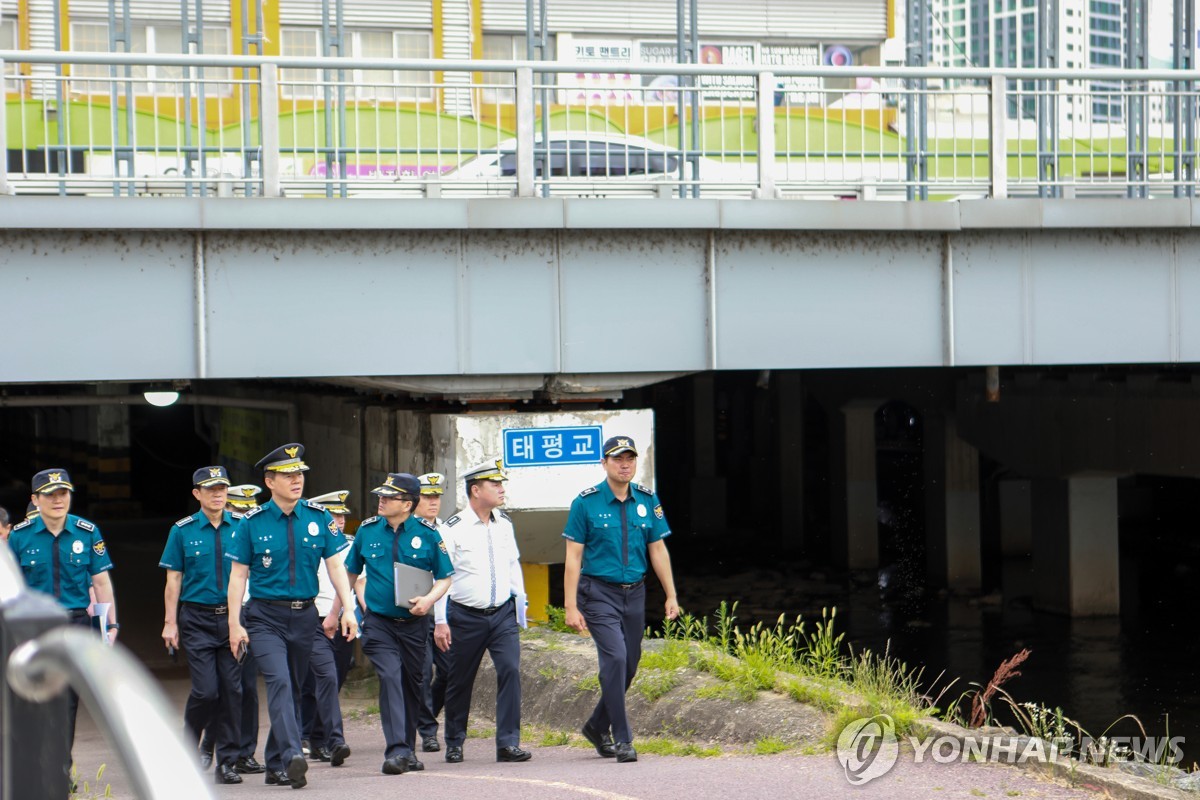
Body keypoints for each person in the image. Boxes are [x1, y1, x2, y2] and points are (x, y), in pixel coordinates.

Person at [226, 444, 359, 789]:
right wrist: (235, 624)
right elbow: (238, 577)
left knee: (297, 687)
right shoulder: (250, 524)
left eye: (299, 474)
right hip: (264, 617)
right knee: (280, 683)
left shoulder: (319, 519)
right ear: (270, 481)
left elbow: (336, 568)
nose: (296, 480)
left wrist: (348, 610)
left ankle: (274, 766)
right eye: (288, 475)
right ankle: (290, 755)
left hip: (305, 617)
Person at [563, 436, 680, 764]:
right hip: (598, 593)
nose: (624, 464)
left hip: (635, 593)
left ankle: (596, 726)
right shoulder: (586, 503)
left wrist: (671, 594)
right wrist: (570, 605)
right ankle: (622, 738)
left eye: (630, 458)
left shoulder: (646, 499)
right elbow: (573, 558)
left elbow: (657, 549)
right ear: (604, 463)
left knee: (629, 664)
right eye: (617, 459)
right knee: (614, 659)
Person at [8, 468, 119, 778]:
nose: (58, 500)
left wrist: (109, 625)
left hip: (76, 625)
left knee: (67, 704)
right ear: (35, 500)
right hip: (34, 630)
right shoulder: (20, 536)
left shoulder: (87, 531)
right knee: (34, 699)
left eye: (63, 493)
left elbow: (100, 582)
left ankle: (60, 769)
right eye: (50, 495)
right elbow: (11, 589)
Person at [343, 472, 453, 775]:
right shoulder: (367, 531)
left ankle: (407, 750)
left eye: (389, 497)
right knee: (391, 676)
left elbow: (445, 577)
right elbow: (350, 573)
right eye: (381, 495)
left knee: (412, 683)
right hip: (378, 622)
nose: (381, 500)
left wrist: (429, 600)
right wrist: (340, 609)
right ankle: (397, 751)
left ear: (407, 504)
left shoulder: (428, 535)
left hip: (414, 624)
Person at [434, 458, 530, 764]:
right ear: (476, 490)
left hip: (502, 613)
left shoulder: (505, 524)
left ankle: (507, 743)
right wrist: (440, 621)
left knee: (511, 670)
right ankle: (454, 741)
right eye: (495, 484)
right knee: (459, 678)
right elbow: (441, 576)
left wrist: (521, 604)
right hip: (465, 615)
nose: (501, 489)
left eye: (501, 484)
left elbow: (513, 564)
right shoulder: (453, 528)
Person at [159, 466, 244, 785]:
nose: (218, 493)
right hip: (196, 619)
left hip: (233, 619)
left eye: (222, 487)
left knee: (232, 690)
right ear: (197, 494)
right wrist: (170, 623)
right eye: (210, 489)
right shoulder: (182, 531)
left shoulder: (242, 526)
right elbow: (173, 580)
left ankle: (227, 761)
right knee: (207, 691)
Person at [200, 484, 266, 776]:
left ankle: (245, 752)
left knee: (248, 688)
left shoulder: (255, 532)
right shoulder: (218, 536)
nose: (243, 515)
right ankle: (208, 745)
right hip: (221, 617)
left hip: (251, 615)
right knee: (221, 689)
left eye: (248, 510)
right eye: (238, 509)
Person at [299, 490, 354, 767]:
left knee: (334, 679)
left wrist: (357, 615)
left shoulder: (350, 545)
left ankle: (321, 738)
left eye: (342, 515)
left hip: (342, 620)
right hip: (312, 618)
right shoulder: (306, 541)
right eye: (334, 515)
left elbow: (358, 583)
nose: (339, 521)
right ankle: (307, 735)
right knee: (312, 682)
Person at [414, 472, 451, 753]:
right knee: (423, 673)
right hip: (415, 613)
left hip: (445, 614)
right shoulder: (405, 531)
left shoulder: (449, 530)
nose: (433, 502)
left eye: (436, 496)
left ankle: (426, 714)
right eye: (427, 496)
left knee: (451, 670)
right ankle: (428, 731)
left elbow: (450, 576)